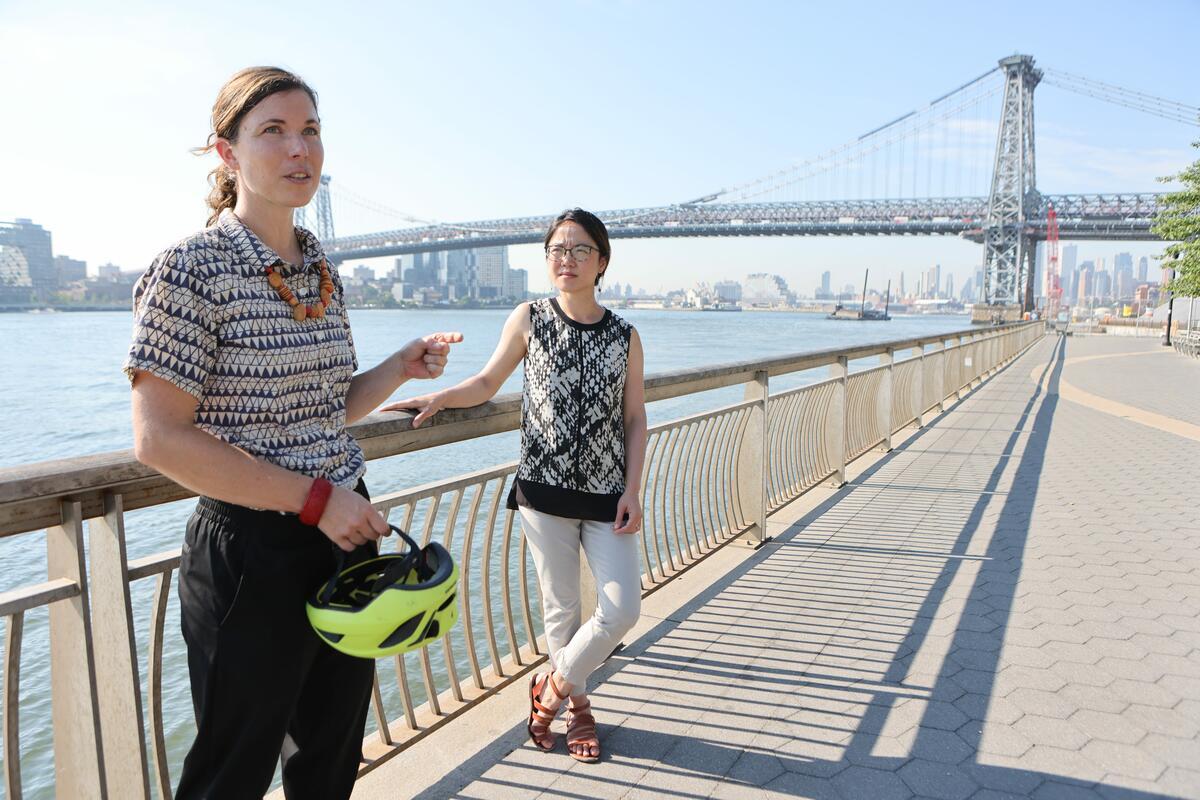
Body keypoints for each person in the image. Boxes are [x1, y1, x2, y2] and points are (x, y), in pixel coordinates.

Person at [124, 66, 461, 799]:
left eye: (309, 129)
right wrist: (313, 501)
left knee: (330, 757)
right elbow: (158, 440)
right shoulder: (191, 270)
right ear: (227, 154)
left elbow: (323, 410)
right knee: (230, 773)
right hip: (253, 549)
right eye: (272, 131)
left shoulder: (320, 269)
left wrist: (397, 370)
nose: (298, 148)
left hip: (342, 534)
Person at [384, 208, 647, 763]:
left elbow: (635, 419)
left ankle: (550, 689)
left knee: (622, 610)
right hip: (544, 493)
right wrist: (439, 396)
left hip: (607, 497)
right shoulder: (530, 316)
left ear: (601, 261)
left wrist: (633, 489)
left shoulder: (626, 335)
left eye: (579, 250)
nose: (566, 260)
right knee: (563, 611)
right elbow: (486, 382)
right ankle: (579, 710)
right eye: (556, 249)